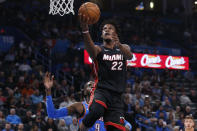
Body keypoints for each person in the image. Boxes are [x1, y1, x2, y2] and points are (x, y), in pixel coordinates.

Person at [78, 13, 133, 131]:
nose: (107, 30)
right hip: (102, 90)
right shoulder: (99, 50)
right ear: (102, 35)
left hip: (117, 96)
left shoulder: (124, 48)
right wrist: (85, 30)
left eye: (110, 28)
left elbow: (129, 56)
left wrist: (119, 45)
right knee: (96, 111)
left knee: (117, 129)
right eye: (104, 29)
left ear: (116, 33)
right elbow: (90, 49)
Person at [44, 72, 132, 131]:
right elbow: (52, 114)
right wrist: (48, 91)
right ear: (84, 91)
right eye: (89, 85)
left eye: (95, 85)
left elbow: (126, 123)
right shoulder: (79, 106)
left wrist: (126, 127)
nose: (93, 86)